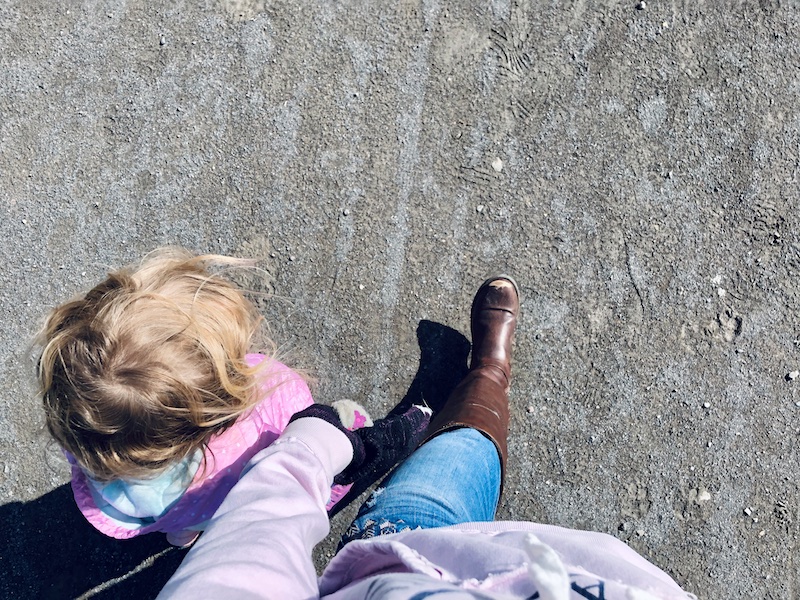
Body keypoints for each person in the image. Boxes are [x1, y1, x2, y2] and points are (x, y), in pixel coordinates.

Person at [158, 276, 695, 599]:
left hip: (403, 554)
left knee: (453, 456)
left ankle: (481, 380)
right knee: (468, 446)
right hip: (524, 568)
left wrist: (305, 449)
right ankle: (488, 375)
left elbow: (252, 545)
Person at [36, 249, 430, 547]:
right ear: (217, 411)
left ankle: (185, 532)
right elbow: (304, 433)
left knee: (184, 522)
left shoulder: (91, 429)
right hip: (228, 491)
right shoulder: (272, 412)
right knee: (337, 429)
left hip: (157, 505)